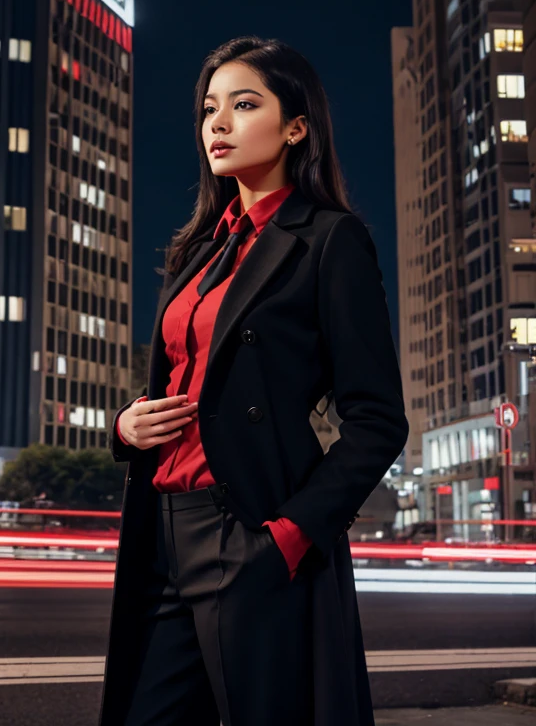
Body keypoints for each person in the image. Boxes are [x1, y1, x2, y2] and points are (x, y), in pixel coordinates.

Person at [99, 36, 409, 726]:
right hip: (164, 532)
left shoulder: (329, 240)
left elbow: (379, 418)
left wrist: (291, 536)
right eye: (209, 107)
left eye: (244, 104)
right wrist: (125, 426)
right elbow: (185, 380)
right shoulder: (202, 249)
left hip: (246, 532)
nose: (218, 123)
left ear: (297, 126)